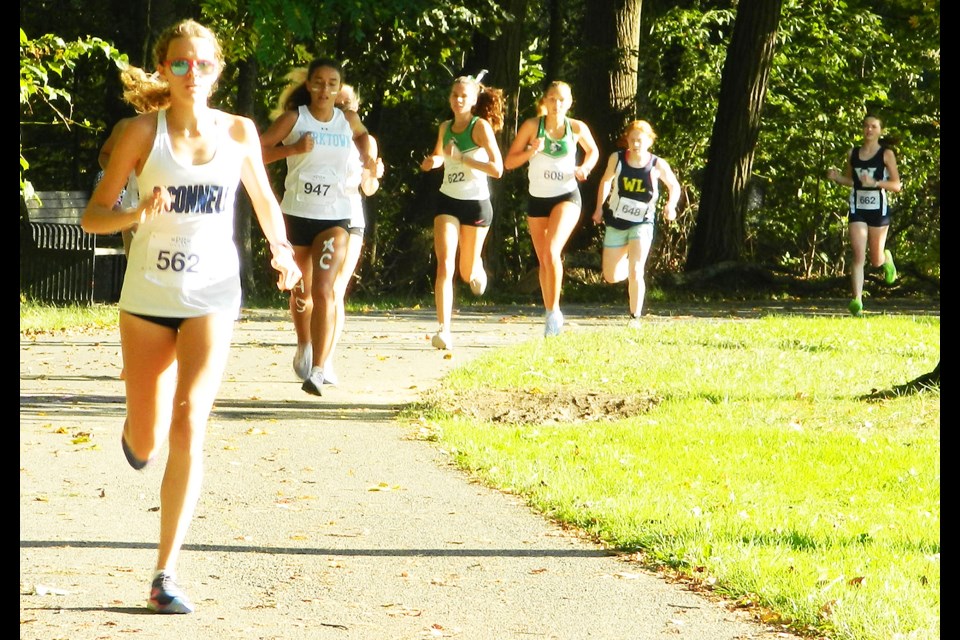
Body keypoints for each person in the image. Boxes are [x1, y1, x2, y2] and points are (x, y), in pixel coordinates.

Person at [81, 19, 301, 614]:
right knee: (148, 432)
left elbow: (264, 200)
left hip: (211, 294)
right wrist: (135, 214)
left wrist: (283, 254)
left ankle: (164, 574)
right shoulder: (137, 132)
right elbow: (93, 218)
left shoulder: (239, 131)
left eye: (202, 64)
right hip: (148, 298)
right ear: (164, 70)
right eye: (179, 64)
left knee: (190, 422)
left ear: (217, 70)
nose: (191, 74)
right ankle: (133, 433)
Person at [260, 60, 378, 394]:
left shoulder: (347, 120)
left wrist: (368, 156)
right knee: (302, 291)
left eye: (332, 84)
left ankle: (320, 368)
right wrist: (294, 149)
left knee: (326, 290)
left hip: (336, 217)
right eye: (319, 83)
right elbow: (257, 152)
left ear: (339, 88)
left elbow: (365, 137)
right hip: (297, 215)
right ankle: (304, 345)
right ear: (309, 85)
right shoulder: (295, 118)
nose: (325, 90)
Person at [504, 81, 599, 336]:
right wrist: (530, 151)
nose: (556, 104)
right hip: (537, 199)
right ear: (544, 101)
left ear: (569, 103)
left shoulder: (576, 127)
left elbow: (593, 151)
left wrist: (585, 168)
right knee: (544, 259)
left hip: (567, 196)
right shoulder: (532, 126)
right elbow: (509, 162)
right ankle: (549, 311)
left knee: (551, 251)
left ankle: (555, 312)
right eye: (552, 99)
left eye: (562, 100)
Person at [420, 72, 504, 350]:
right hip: (447, 201)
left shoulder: (480, 127)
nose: (458, 100)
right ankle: (444, 329)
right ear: (449, 98)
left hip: (476, 203)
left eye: (463, 96)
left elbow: (497, 169)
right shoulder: (445, 127)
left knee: (467, 274)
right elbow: (440, 157)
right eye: (454, 95)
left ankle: (476, 267)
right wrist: (432, 162)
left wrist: (464, 159)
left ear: (473, 100)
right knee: (445, 265)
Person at [322, 83, 384, 385]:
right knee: (310, 293)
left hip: (350, 217)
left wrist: (372, 172)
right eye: (338, 104)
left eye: (348, 105)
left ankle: (326, 361)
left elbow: (369, 189)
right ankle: (308, 347)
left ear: (356, 108)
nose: (343, 110)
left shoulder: (365, 140)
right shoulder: (314, 129)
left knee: (335, 290)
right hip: (315, 215)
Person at [591, 120, 680, 325]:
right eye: (632, 140)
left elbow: (674, 186)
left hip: (643, 222)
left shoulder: (657, 164)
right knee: (611, 276)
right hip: (616, 221)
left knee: (636, 270)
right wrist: (598, 208)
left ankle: (635, 317)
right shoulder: (617, 158)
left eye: (640, 140)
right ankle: (624, 265)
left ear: (649, 141)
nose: (636, 144)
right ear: (627, 139)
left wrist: (671, 205)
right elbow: (605, 181)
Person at [826, 114, 902, 316]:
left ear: (880, 131)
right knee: (858, 254)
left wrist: (875, 183)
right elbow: (852, 181)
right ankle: (857, 301)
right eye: (866, 126)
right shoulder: (853, 153)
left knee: (875, 260)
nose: (869, 130)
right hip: (857, 208)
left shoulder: (886, 154)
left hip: (878, 209)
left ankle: (886, 260)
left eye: (874, 126)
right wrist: (836, 178)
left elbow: (896, 185)